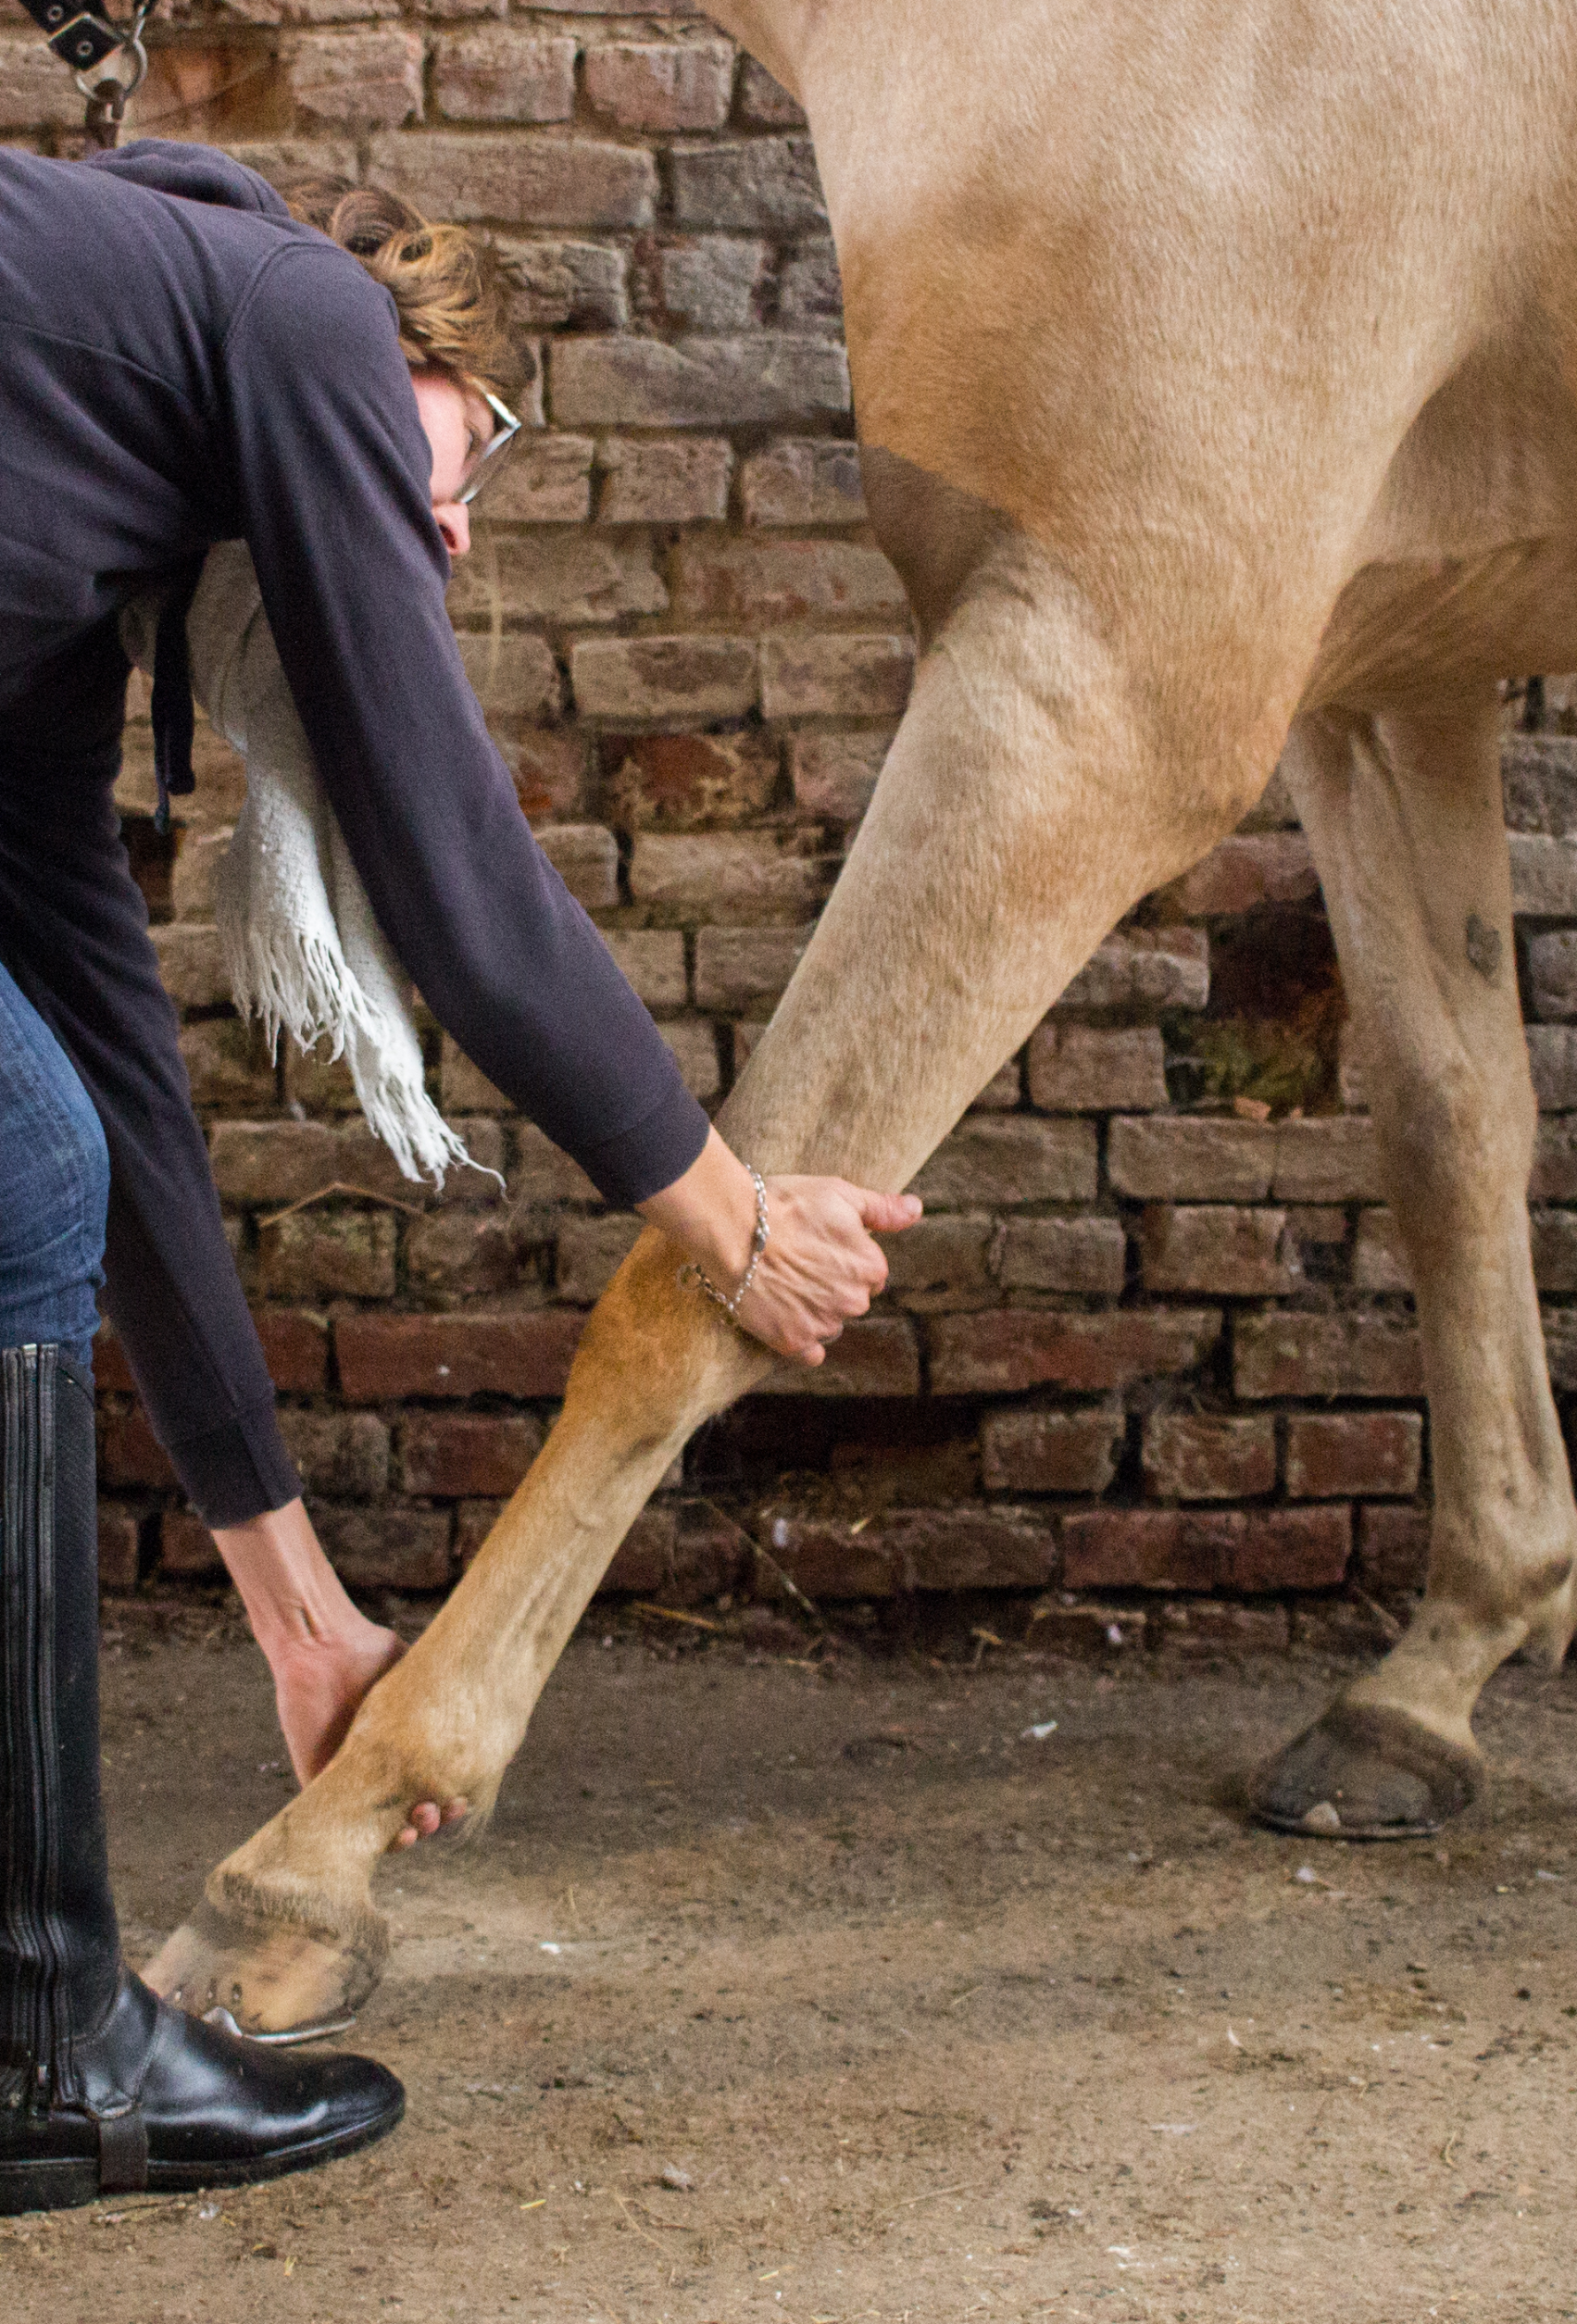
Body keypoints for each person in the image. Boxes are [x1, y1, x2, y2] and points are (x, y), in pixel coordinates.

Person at [0, 142, 918, 2210]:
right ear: (416, 348)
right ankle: (39, 2040)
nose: (449, 524)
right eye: (466, 455)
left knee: (43, 1145)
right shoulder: (305, 323)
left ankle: (30, 2030)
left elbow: (108, 1036)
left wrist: (301, 1613)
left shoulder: (63, 514)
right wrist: (736, 1221)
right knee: (22, 1169)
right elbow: (461, 881)